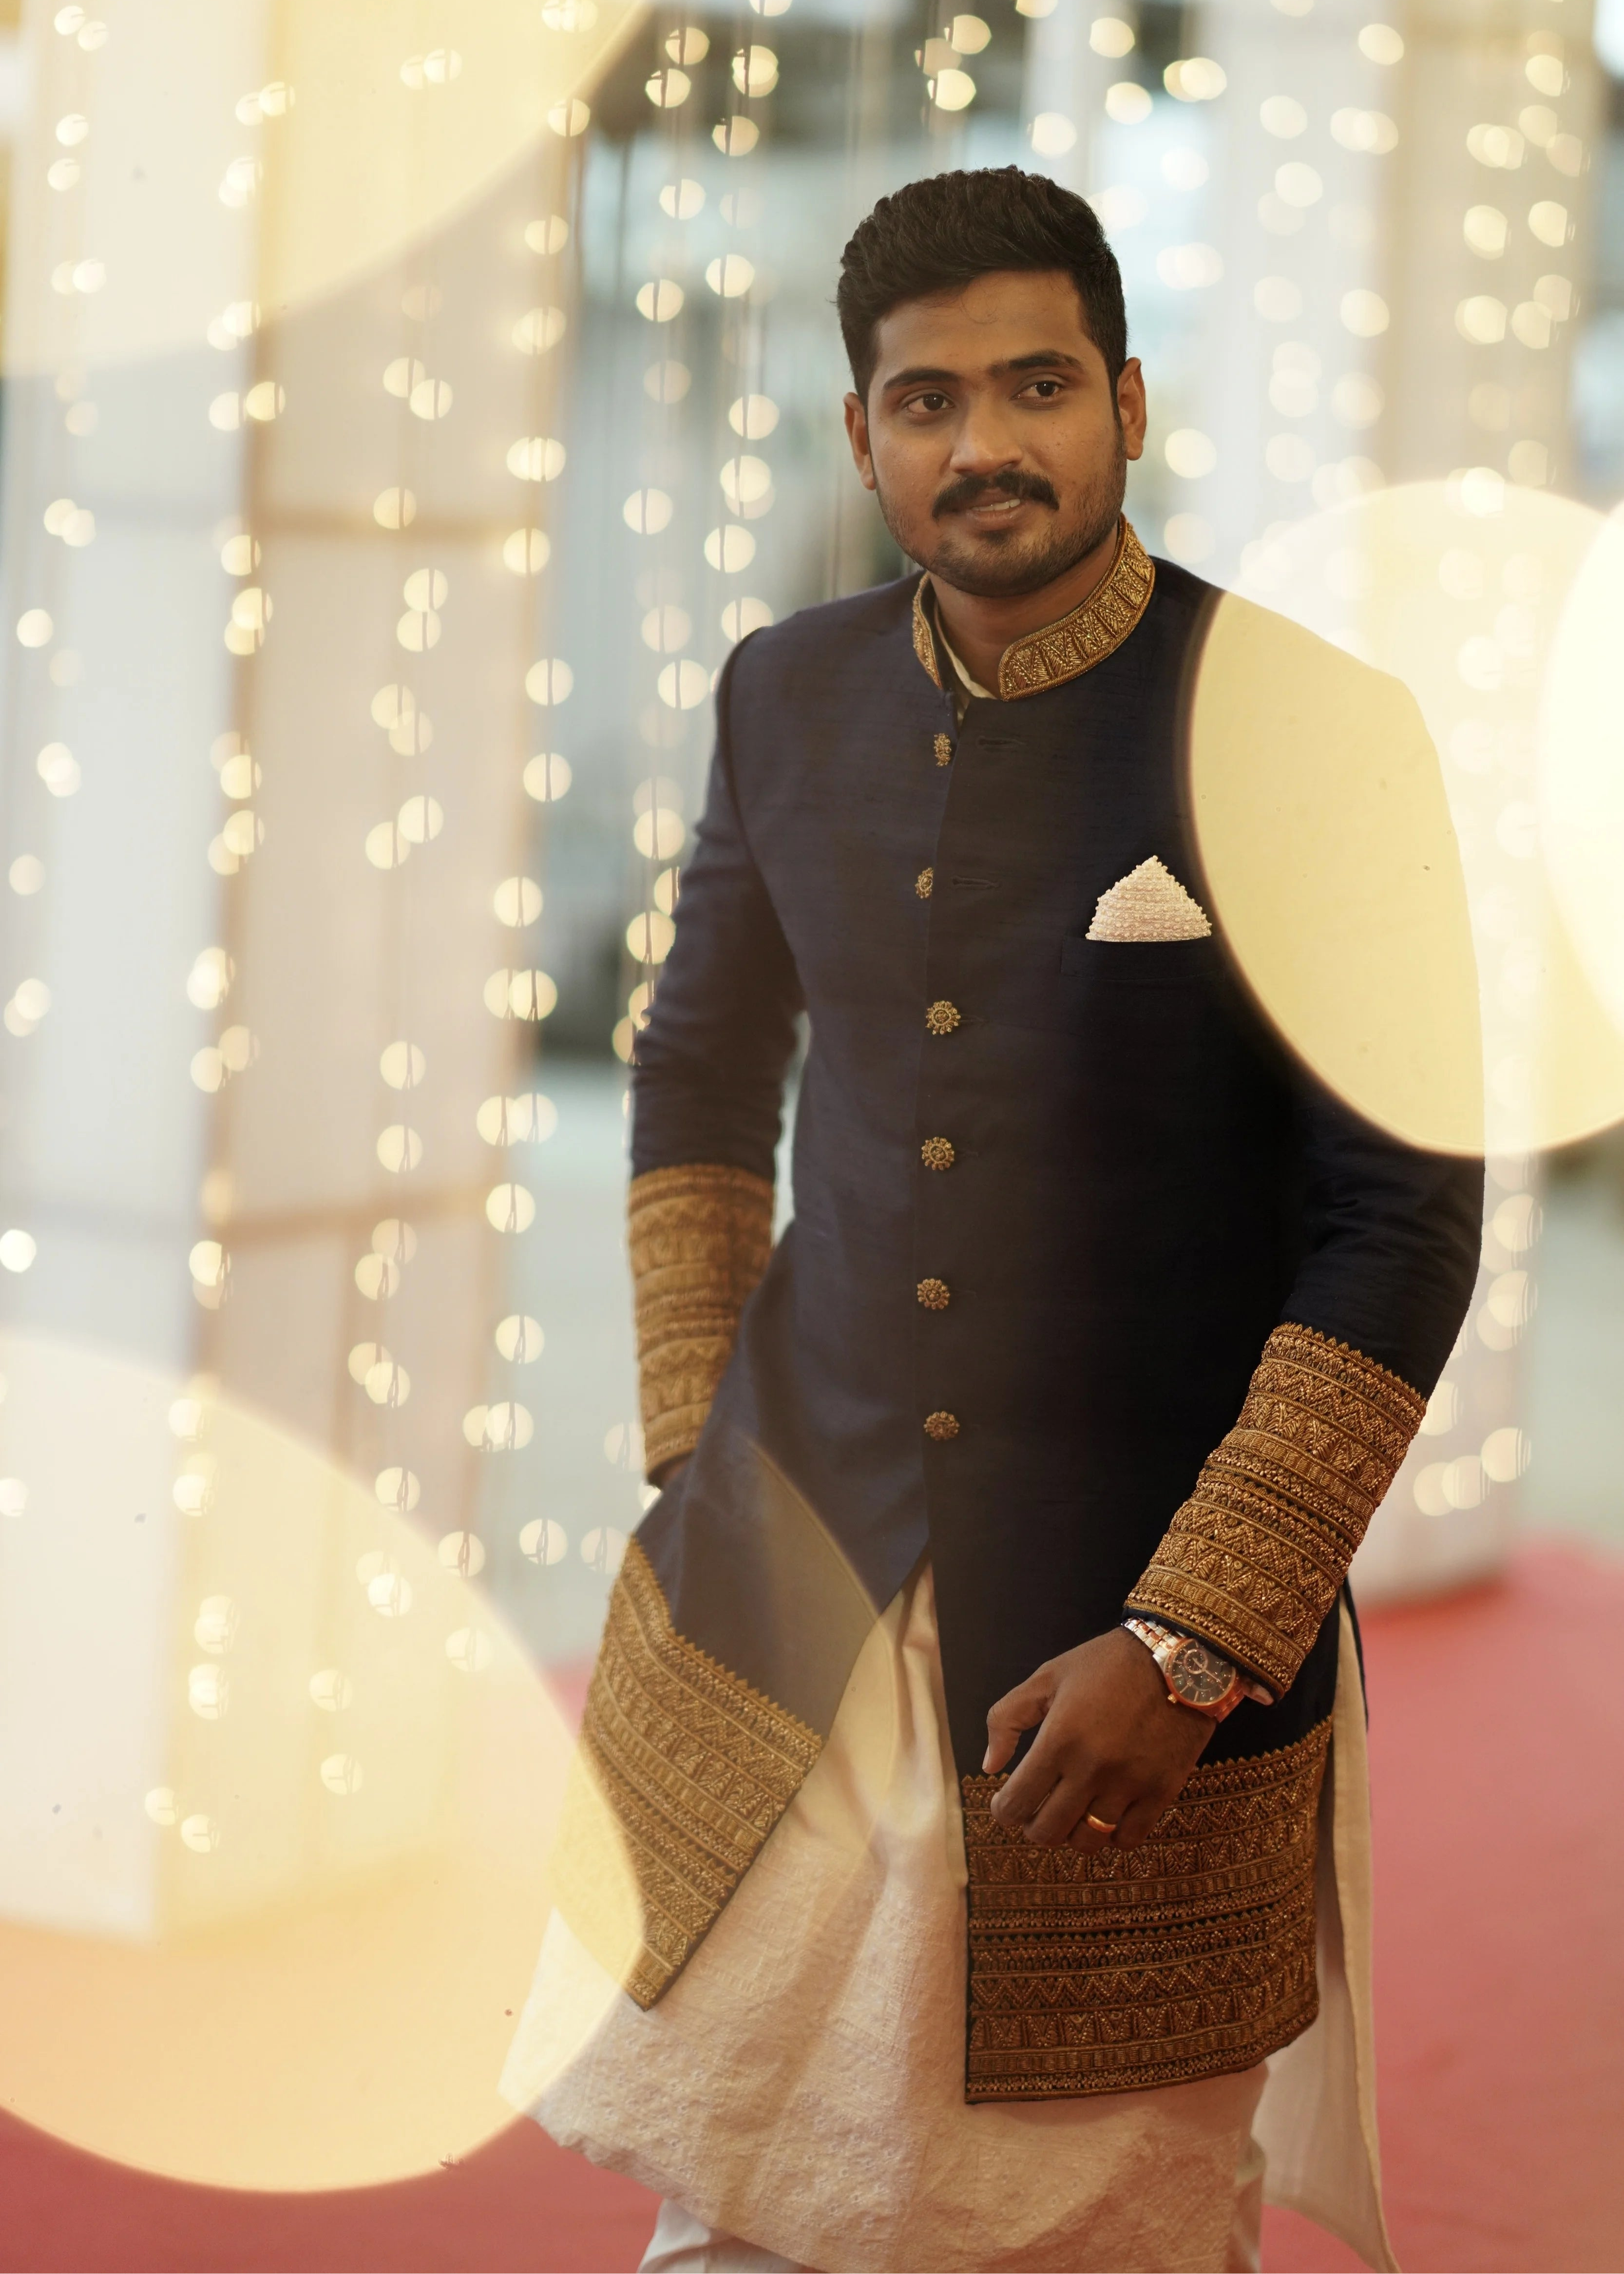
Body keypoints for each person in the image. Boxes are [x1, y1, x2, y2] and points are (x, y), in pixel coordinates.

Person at [502, 167, 1483, 2274]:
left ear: (1124, 401)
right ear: (862, 435)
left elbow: (1396, 1220)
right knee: (742, 2164)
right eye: (926, 401)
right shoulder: (784, 691)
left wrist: (1190, 1636)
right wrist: (694, 1447)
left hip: (1122, 1632)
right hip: (795, 1572)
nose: (984, 446)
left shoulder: (1311, 731)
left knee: (1097, 2200)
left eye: (1035, 385)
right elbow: (692, 1070)